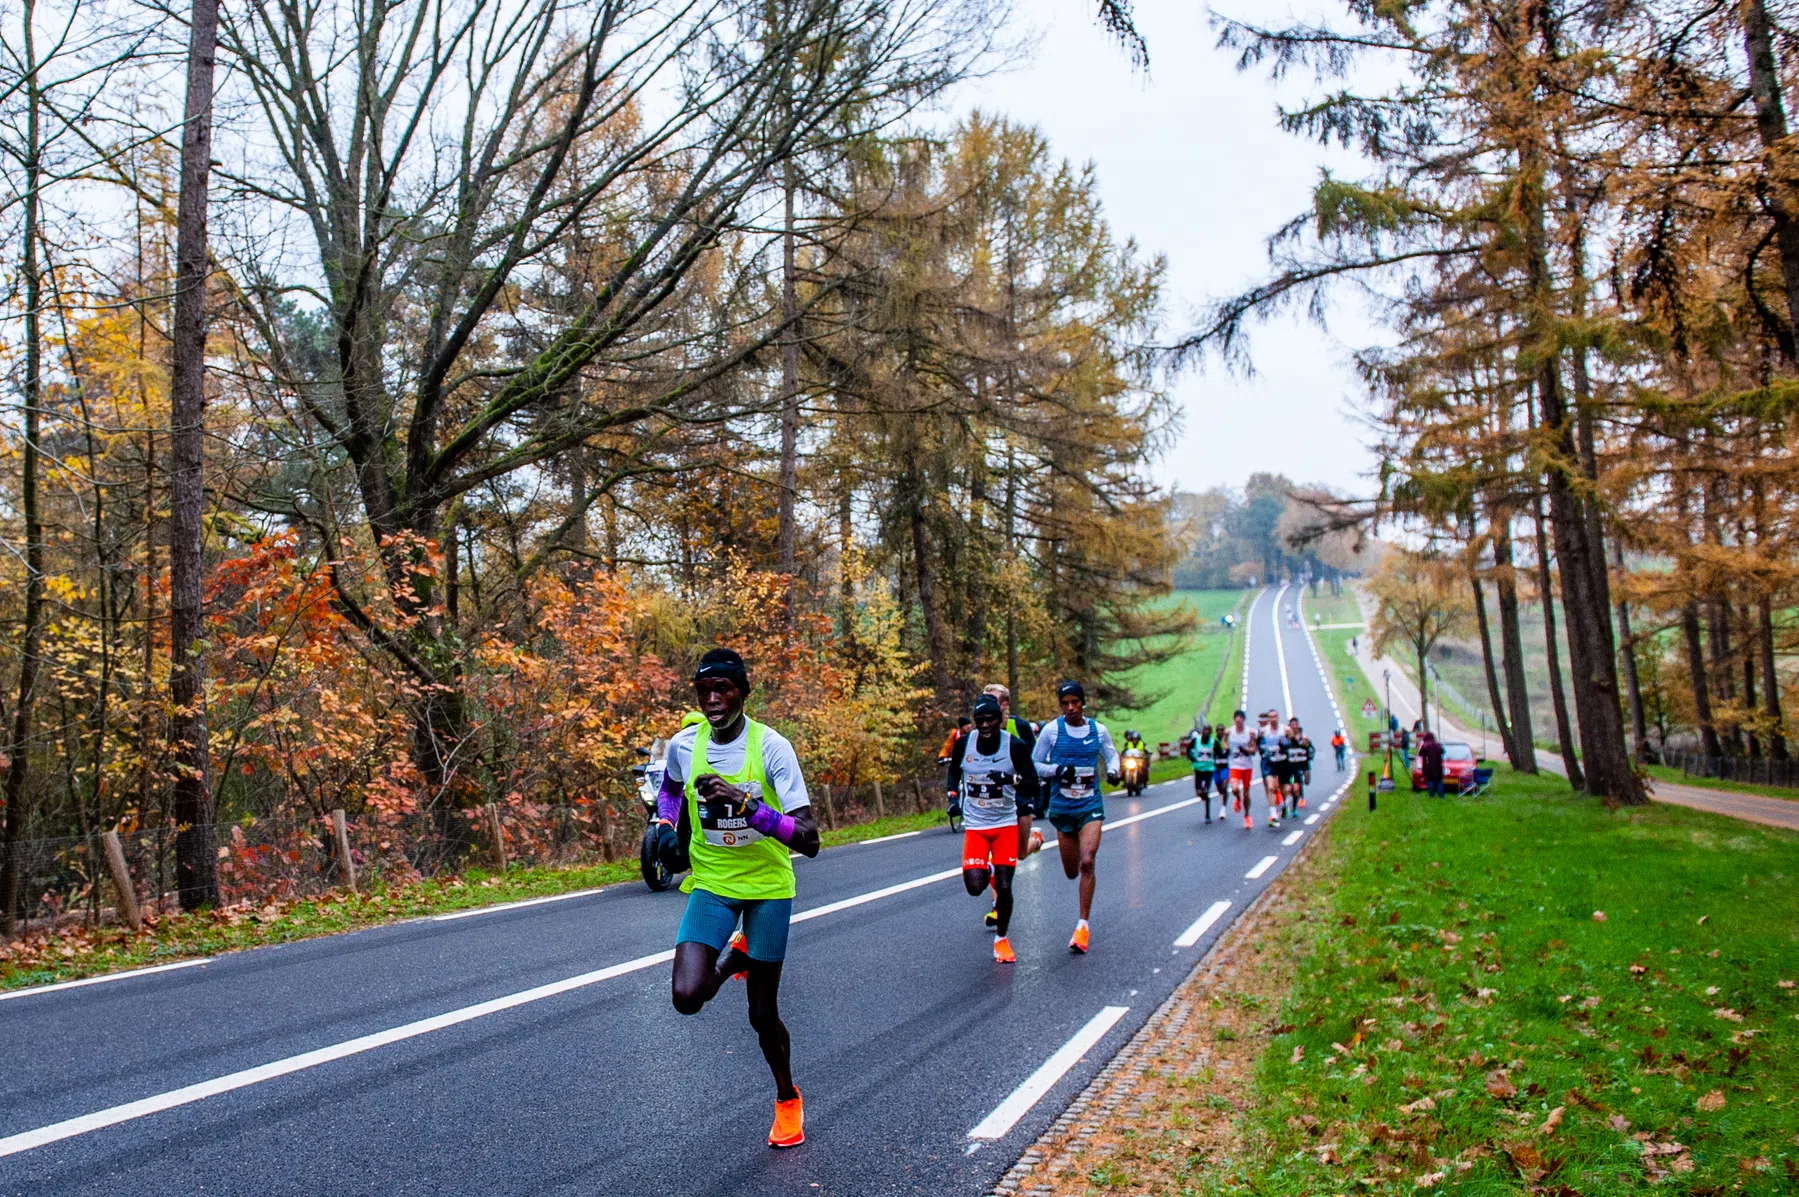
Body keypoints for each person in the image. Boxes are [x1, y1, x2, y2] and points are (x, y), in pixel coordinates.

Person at [654, 648, 820, 1148]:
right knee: (687, 996)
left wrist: (748, 806)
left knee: (761, 1014)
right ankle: (736, 957)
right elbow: (668, 788)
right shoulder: (685, 745)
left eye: (722, 688)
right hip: (712, 882)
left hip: (768, 887)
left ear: (743, 692)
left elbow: (810, 839)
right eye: (704, 690)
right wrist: (664, 822)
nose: (712, 698)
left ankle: (787, 1099)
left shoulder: (772, 748)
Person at [946, 694, 1042, 963]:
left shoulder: (1015, 746)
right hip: (976, 826)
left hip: (1005, 825)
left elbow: (1033, 784)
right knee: (975, 887)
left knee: (1005, 886)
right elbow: (954, 771)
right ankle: (985, 868)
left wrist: (1011, 779)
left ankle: (1001, 939)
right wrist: (953, 795)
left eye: (990, 719)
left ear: (1000, 720)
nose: (985, 725)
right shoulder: (965, 744)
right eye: (980, 721)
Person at [1032, 680, 1121, 953]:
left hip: (1089, 805)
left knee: (1087, 861)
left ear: (1083, 703)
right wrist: (1058, 770)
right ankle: (1037, 840)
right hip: (1062, 807)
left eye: (1075, 702)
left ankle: (1082, 925)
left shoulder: (1098, 731)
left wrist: (1115, 771)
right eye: (1065, 703)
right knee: (1071, 872)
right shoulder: (1051, 731)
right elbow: (1035, 764)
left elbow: (1112, 756)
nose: (1070, 708)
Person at [979, 683, 1043, 929]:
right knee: (994, 859)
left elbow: (1034, 763)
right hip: (992, 803)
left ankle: (1034, 841)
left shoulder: (1021, 727)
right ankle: (997, 907)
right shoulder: (981, 730)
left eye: (992, 701)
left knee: (1019, 854)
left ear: (1005, 705)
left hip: (1017, 798)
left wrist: (1030, 787)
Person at [1225, 710, 1258, 830]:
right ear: (1234, 720)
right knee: (1234, 788)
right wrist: (1226, 747)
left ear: (1243, 720)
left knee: (1246, 793)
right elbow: (1224, 741)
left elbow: (1254, 749)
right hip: (1234, 765)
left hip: (1247, 766)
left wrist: (1248, 750)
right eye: (1236, 720)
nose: (1238, 722)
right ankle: (1238, 799)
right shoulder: (1229, 732)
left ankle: (1247, 816)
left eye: (1240, 720)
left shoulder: (1250, 732)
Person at [1186, 725, 1216, 821]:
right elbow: (1188, 750)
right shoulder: (1196, 740)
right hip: (1198, 769)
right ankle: (1203, 796)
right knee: (1199, 792)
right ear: (1202, 731)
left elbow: (1220, 752)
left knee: (1206, 790)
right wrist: (1191, 757)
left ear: (1210, 732)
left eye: (1208, 730)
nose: (1206, 732)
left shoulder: (1213, 742)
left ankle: (1207, 815)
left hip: (1208, 769)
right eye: (1204, 730)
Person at [1419, 729, 1446, 798]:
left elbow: (1420, 754)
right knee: (1439, 781)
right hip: (1438, 766)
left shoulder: (1425, 746)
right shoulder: (1438, 745)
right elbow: (1442, 751)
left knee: (1430, 780)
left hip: (1428, 767)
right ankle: (1441, 795)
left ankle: (1431, 795)